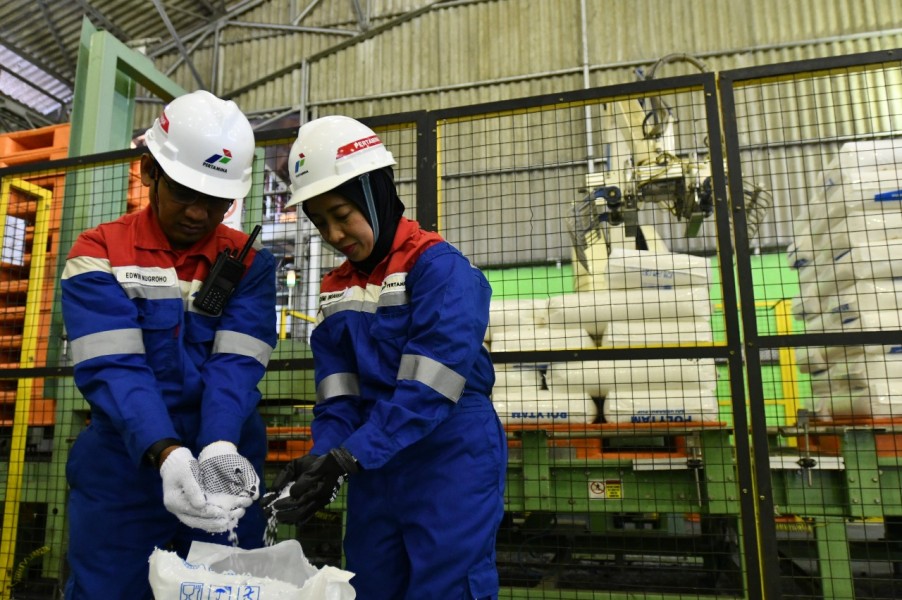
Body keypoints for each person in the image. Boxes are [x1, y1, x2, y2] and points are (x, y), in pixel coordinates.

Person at [262, 115, 507, 599]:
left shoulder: (438, 269)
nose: (333, 233)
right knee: (370, 586)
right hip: (374, 463)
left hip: (448, 454)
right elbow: (339, 395)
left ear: (377, 193)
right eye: (320, 222)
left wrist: (347, 455)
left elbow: (431, 387)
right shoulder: (336, 290)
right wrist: (322, 455)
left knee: (447, 589)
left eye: (342, 214)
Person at [61, 90, 277, 599]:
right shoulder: (98, 254)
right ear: (149, 171)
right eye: (185, 192)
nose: (200, 214)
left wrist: (220, 446)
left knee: (226, 587)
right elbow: (115, 366)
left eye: (217, 200)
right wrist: (166, 452)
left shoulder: (249, 264)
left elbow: (236, 365)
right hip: (125, 464)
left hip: (224, 458)